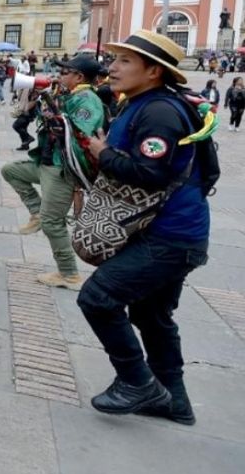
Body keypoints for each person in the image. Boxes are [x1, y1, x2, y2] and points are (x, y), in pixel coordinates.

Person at [79, 30, 212, 422]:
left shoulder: (159, 112)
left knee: (98, 298)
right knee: (151, 315)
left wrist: (104, 154)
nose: (112, 67)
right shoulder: (146, 103)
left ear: (154, 71)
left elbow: (149, 173)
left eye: (124, 61)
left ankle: (137, 382)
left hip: (169, 235)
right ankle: (175, 402)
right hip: (174, 232)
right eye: (114, 59)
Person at [1, 56, 105, 289]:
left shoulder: (88, 99)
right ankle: (36, 212)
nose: (60, 76)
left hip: (62, 167)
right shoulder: (70, 95)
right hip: (47, 160)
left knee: (53, 222)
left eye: (66, 72)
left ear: (79, 76)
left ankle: (69, 274)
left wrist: (56, 112)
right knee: (11, 171)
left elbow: (78, 130)